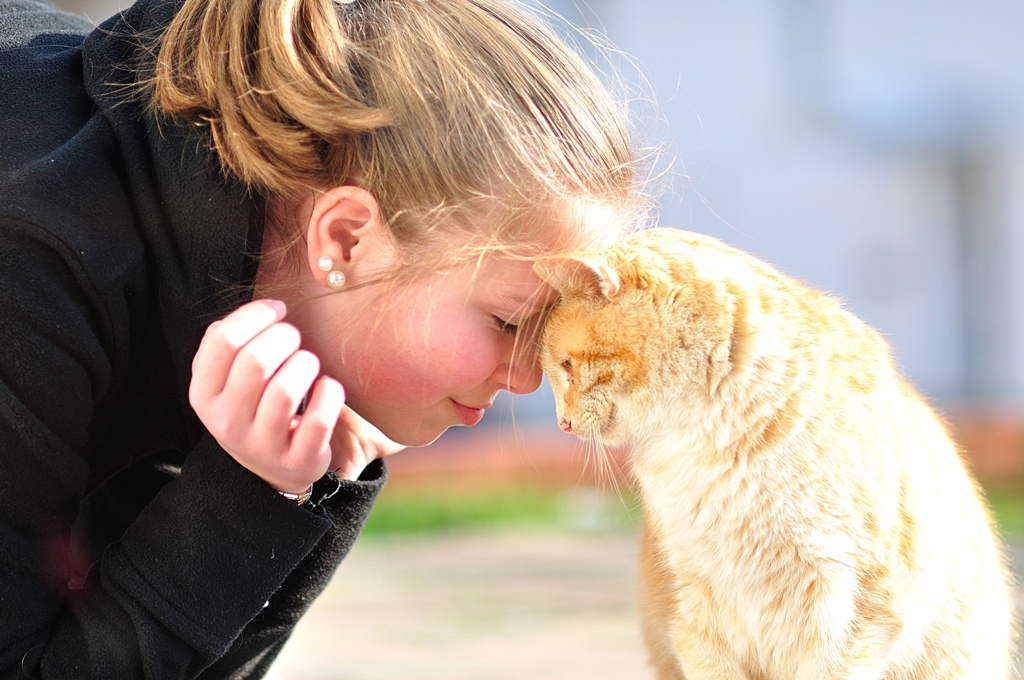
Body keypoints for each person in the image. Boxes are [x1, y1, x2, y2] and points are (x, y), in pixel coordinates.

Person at [0, 0, 640, 675]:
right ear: (345, 237)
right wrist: (241, 499)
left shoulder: (213, 260)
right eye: (508, 322)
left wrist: (298, 488)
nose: (526, 378)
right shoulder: (38, 262)